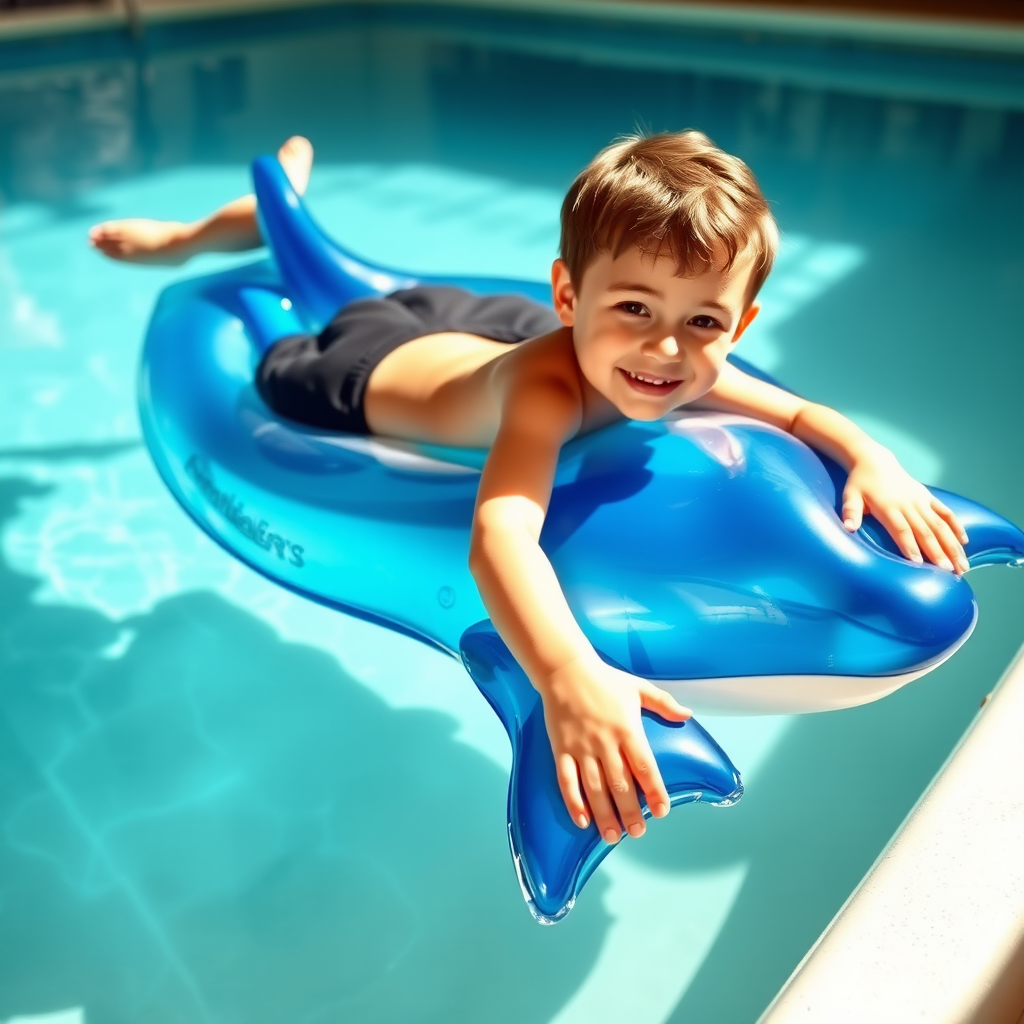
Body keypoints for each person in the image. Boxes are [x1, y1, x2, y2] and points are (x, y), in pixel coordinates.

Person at [90, 131, 969, 847]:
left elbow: (806, 412)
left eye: (702, 323)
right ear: (569, 295)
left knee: (402, 295)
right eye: (634, 310)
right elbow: (500, 539)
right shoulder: (545, 396)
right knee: (321, 300)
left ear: (737, 326)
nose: (666, 351)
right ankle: (227, 228)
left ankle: (276, 211)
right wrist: (565, 673)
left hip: (488, 329)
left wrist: (872, 459)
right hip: (368, 367)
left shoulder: (679, 359)